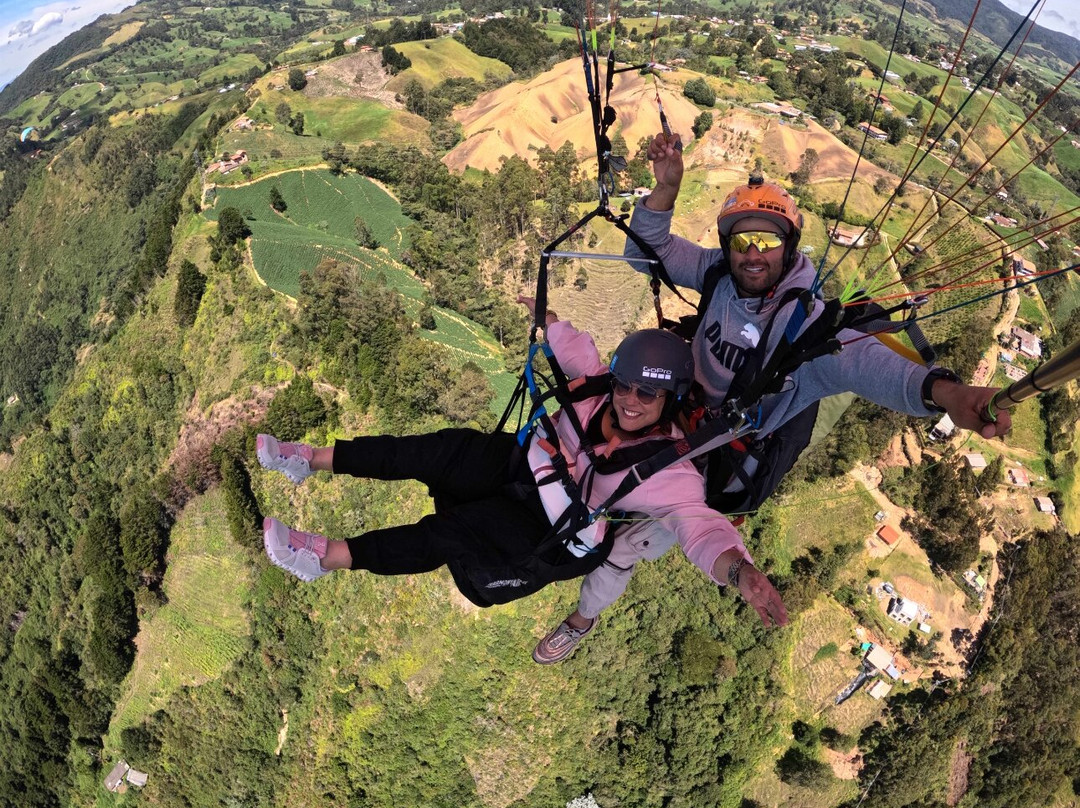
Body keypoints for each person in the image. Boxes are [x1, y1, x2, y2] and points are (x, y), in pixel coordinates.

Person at [530, 131, 1012, 664]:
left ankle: (581, 620)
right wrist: (665, 191)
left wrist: (946, 393)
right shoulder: (720, 275)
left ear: (790, 246)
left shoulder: (804, 329)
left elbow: (863, 363)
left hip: (716, 457)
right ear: (728, 245)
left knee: (622, 550)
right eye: (742, 241)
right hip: (674, 415)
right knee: (589, 446)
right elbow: (650, 254)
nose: (753, 254)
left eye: (767, 242)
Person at [257, 299, 789, 628]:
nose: (629, 400)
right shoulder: (600, 390)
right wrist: (549, 320)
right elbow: (578, 352)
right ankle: (309, 460)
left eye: (646, 396)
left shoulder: (670, 473)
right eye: (625, 386)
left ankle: (321, 558)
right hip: (527, 464)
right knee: (432, 450)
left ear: (669, 400)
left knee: (449, 534)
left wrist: (739, 572)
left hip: (557, 527)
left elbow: (701, 532)